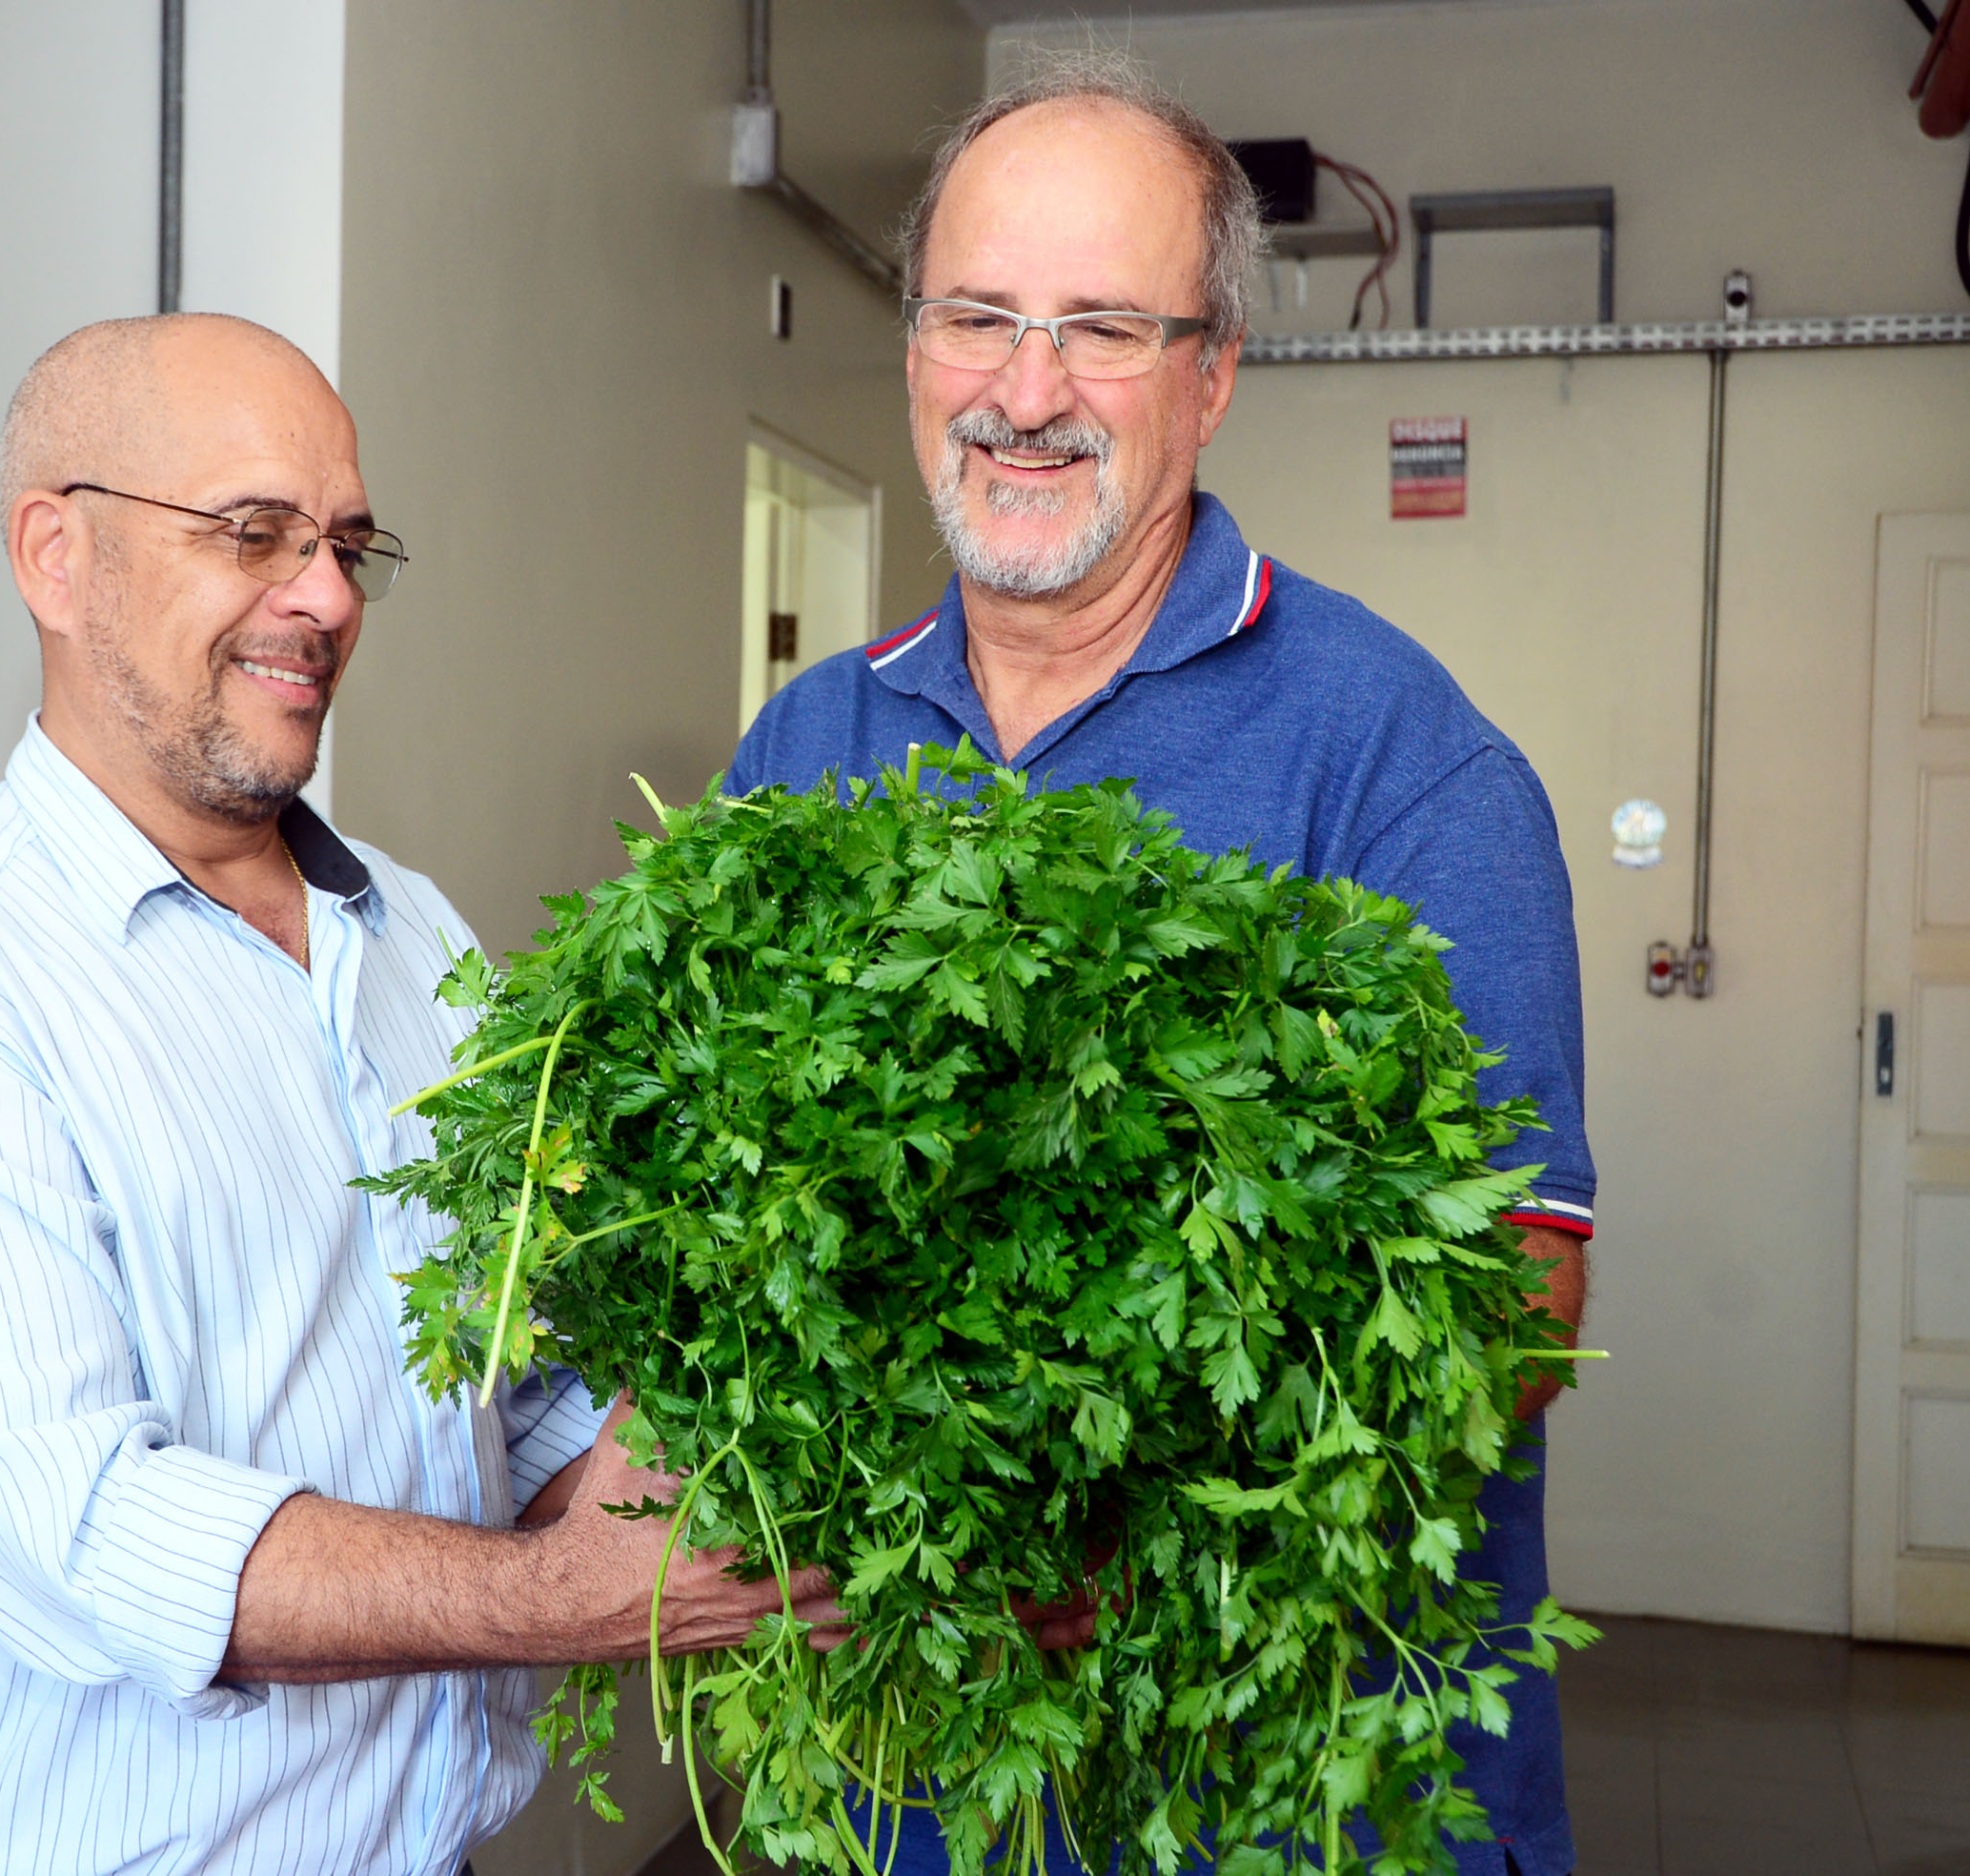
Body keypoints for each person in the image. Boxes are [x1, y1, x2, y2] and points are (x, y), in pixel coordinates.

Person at [0, 314, 835, 1876]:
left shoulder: (417, 940)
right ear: (56, 557)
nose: (327, 598)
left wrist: (771, 1507)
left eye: (348, 545)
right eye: (254, 534)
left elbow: (514, 1398)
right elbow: (90, 1536)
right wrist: (568, 1597)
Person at [727, 61, 1594, 1876]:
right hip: (913, 1792)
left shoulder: (1400, 760)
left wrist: (1138, 1540)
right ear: (915, 348)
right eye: (978, 316)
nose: (1026, 391)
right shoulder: (806, 749)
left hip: (1291, 1799)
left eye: (1104, 329)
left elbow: (1513, 1302)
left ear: (1212, 375)